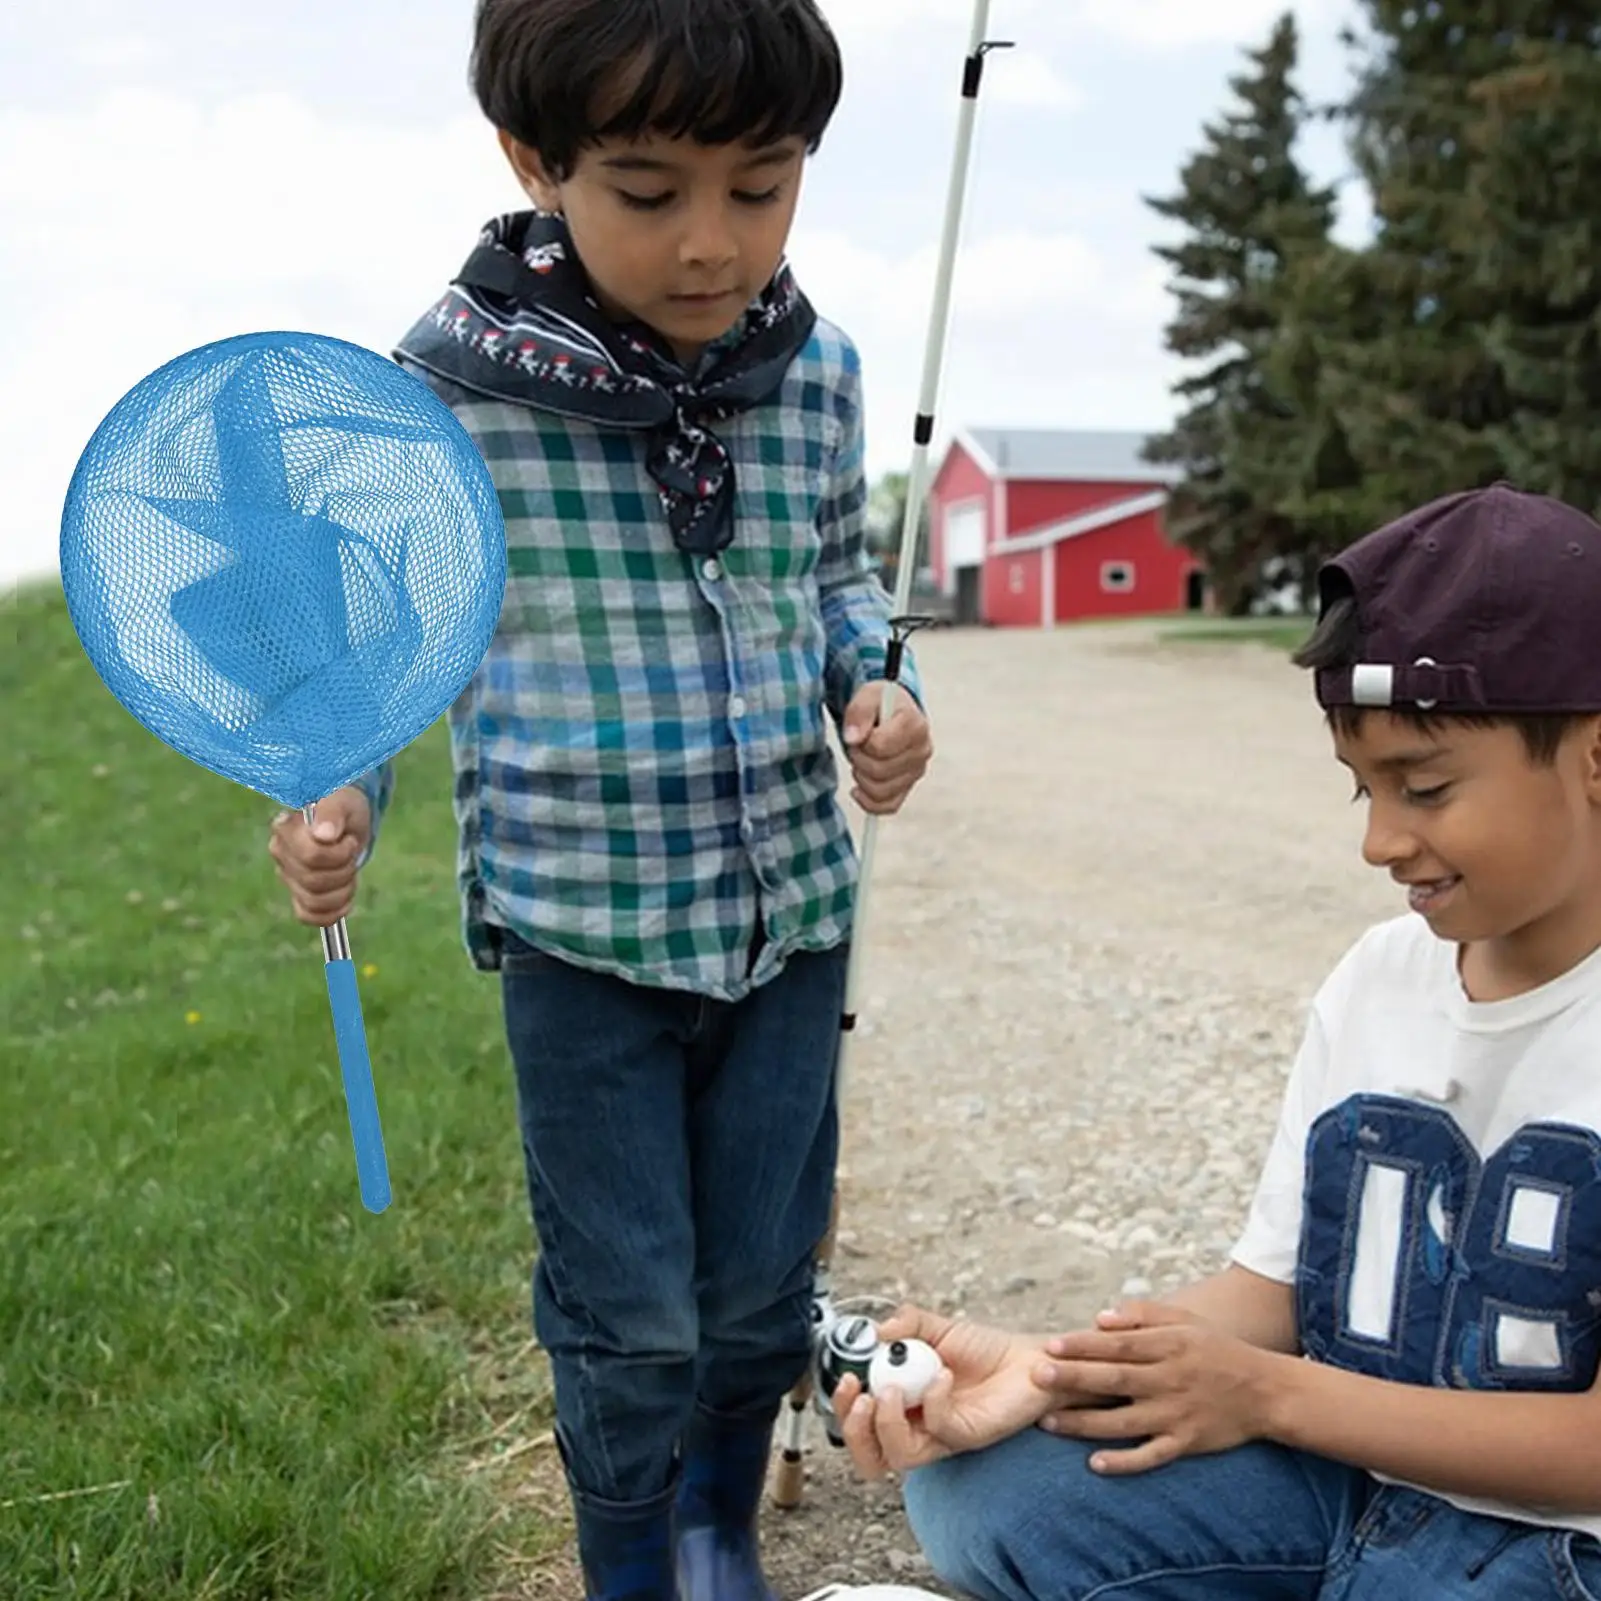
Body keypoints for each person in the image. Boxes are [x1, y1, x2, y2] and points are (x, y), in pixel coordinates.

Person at [268, 3, 934, 1598]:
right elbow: (384, 646)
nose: (714, 243)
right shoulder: (445, 399)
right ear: (534, 160)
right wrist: (336, 791)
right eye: (648, 192)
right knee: (630, 1296)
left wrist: (880, 684)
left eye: (761, 186)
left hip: (792, 919)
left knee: (761, 1280)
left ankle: (715, 1520)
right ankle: (628, 1546)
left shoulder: (816, 368)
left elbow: (837, 575)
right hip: (582, 930)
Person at [835, 483, 1601, 1600]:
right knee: (982, 1483)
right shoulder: (1377, 977)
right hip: (1347, 1490)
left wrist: (1268, 1397)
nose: (1381, 840)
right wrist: (1043, 1372)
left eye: (1423, 787)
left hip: (1556, 1551)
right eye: (1361, 788)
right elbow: (1272, 1295)